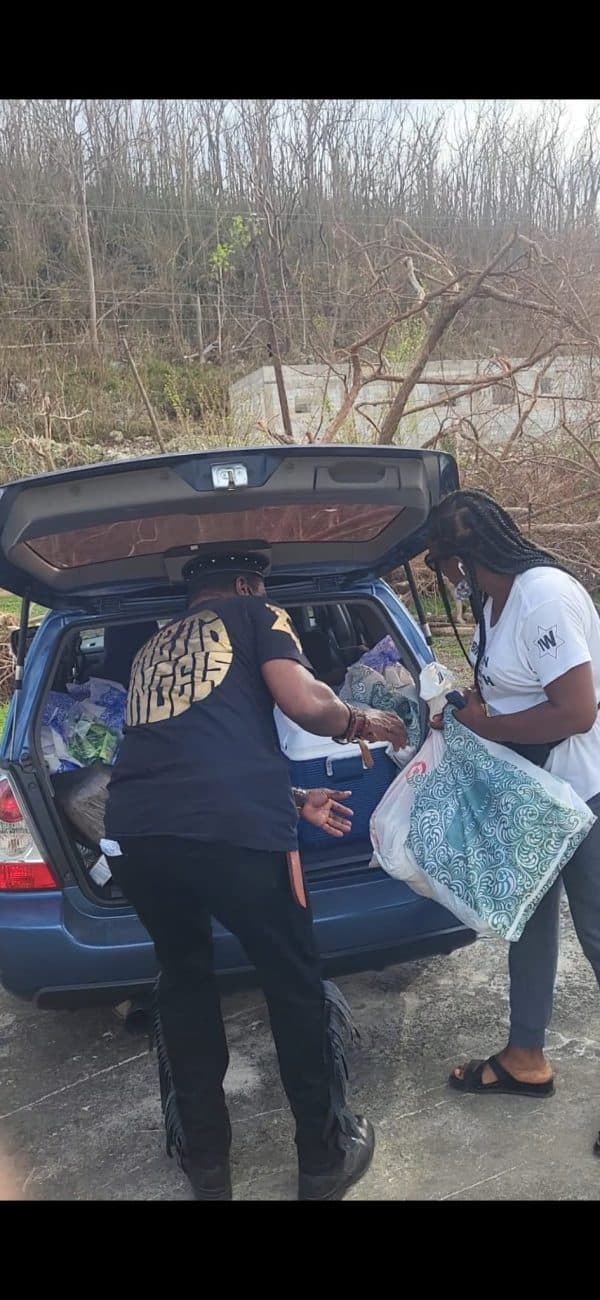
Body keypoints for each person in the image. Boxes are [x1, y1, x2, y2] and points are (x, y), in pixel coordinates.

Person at [103, 551, 407, 1200]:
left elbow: (194, 755)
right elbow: (304, 703)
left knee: (184, 980)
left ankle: (207, 1166)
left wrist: (293, 799)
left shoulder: (153, 649)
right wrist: (365, 722)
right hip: (236, 837)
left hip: (137, 835)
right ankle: (323, 1159)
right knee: (293, 983)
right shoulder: (254, 612)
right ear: (246, 583)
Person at [424, 489, 600, 1153]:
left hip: (582, 794)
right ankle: (526, 1054)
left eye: (444, 564)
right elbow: (510, 688)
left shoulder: (541, 595)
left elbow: (577, 710)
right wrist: (463, 709)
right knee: (528, 920)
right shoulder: (494, 603)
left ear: (465, 557)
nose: (445, 579)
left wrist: (485, 725)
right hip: (534, 796)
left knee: (598, 933)